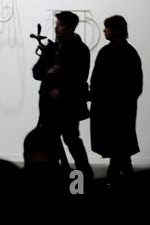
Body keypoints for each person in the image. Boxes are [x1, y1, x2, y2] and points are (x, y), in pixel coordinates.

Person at [32, 11, 93, 179]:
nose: (56, 27)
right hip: (48, 104)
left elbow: (80, 78)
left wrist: (62, 90)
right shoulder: (51, 48)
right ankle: (63, 172)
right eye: (56, 24)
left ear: (70, 27)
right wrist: (48, 71)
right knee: (51, 140)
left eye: (60, 25)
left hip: (69, 105)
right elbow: (36, 72)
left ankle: (84, 174)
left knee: (71, 139)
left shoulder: (81, 50)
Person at [90, 15, 143, 183]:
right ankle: (119, 178)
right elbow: (96, 80)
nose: (104, 30)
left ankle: (113, 178)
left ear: (116, 30)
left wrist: (122, 102)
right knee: (119, 150)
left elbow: (135, 84)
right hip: (106, 109)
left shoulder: (129, 54)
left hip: (121, 110)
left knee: (119, 148)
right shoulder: (105, 52)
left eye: (107, 27)